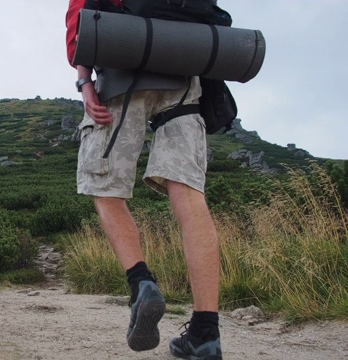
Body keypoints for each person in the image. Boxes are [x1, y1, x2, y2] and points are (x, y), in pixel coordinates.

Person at [65, 0, 222, 359]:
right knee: (188, 196)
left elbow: (80, 27)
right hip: (183, 78)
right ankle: (205, 333)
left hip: (123, 75)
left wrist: (84, 82)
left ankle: (141, 284)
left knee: (105, 189)